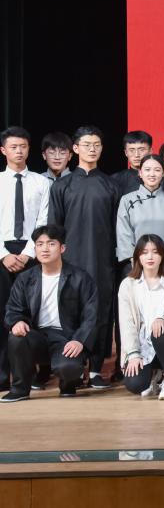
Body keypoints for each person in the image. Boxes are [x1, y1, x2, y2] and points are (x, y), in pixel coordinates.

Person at [47, 126, 119, 389]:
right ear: (75, 149)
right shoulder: (61, 186)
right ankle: (74, 367)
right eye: (87, 144)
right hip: (71, 260)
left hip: (102, 260)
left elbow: (117, 227)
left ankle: (97, 368)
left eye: (97, 144)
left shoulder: (110, 185)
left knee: (101, 312)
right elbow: (54, 228)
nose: (92, 149)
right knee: (71, 312)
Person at [1, 225, 97, 402]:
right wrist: (17, 321)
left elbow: (91, 316)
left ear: (62, 248)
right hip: (37, 336)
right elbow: (13, 309)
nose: (45, 249)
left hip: (66, 338)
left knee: (69, 368)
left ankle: (68, 383)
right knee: (16, 337)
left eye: (51, 244)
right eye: (40, 244)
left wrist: (79, 340)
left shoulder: (80, 278)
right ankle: (20, 389)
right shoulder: (25, 279)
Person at [1, 127, 51, 391]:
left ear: (29, 149)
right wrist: (4, 255)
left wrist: (29, 253)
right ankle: (2, 375)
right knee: (2, 313)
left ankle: (29, 374)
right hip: (2, 252)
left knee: (31, 313)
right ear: (3, 150)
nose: (19, 151)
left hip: (31, 253)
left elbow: (43, 221)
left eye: (23, 146)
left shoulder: (41, 183)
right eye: (13, 147)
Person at [117, 235, 164, 400]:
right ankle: (153, 377)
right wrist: (133, 354)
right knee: (135, 384)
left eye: (155, 252)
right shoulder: (127, 285)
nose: (150, 257)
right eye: (144, 252)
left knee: (159, 331)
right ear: (138, 257)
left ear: (162, 255)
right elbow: (126, 324)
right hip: (143, 346)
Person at [116, 154, 164, 274]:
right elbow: (123, 233)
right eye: (147, 170)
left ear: (163, 174)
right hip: (135, 265)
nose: (152, 174)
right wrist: (135, 261)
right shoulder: (127, 200)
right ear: (140, 173)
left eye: (157, 170)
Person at [111, 130, 164, 196]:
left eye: (141, 150)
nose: (136, 155)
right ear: (126, 153)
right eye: (131, 150)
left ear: (150, 151)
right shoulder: (115, 180)